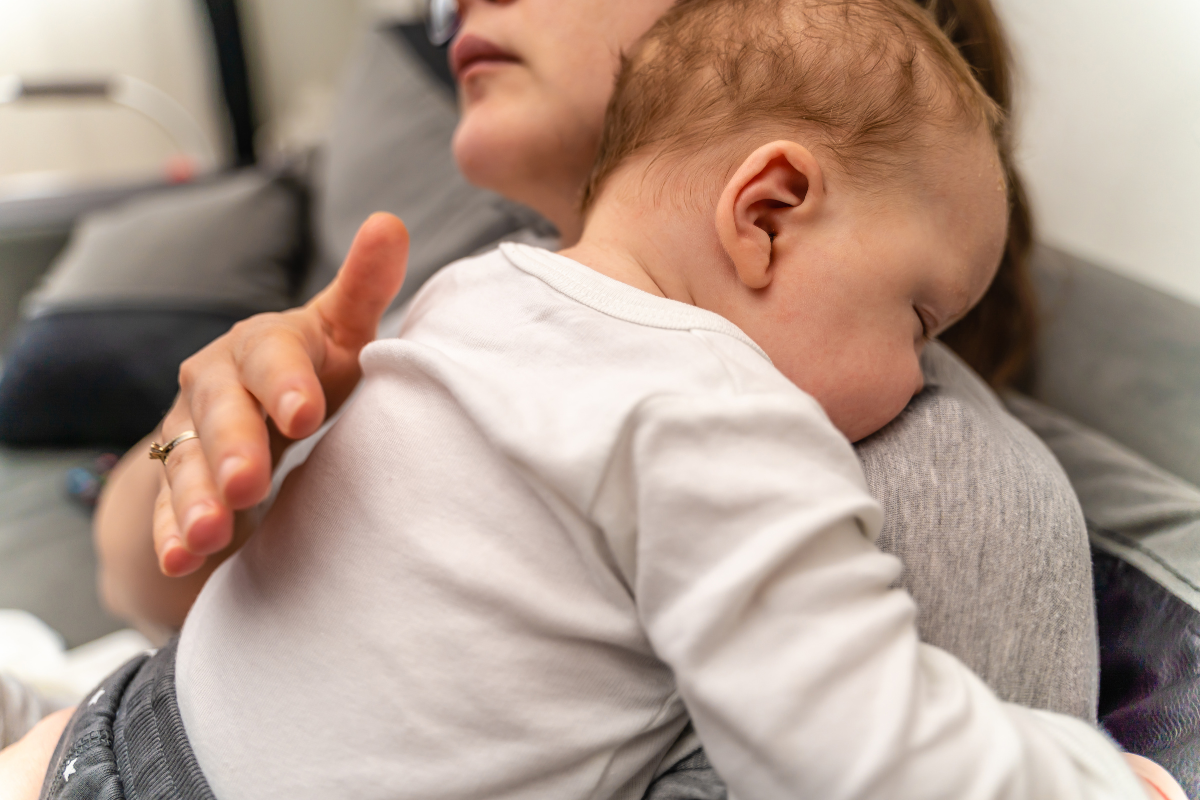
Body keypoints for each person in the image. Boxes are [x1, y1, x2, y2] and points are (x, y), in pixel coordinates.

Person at [13, 0, 1187, 798]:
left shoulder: (487, 298)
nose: (912, 371)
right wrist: (233, 453)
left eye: (922, 326)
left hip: (99, 734)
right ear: (762, 212)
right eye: (918, 323)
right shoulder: (667, 385)